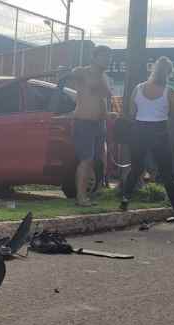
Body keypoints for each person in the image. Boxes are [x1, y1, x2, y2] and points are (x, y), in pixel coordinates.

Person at [119, 56, 174, 228]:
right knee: (167, 174)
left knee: (136, 168)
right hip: (160, 131)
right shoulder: (169, 91)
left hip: (139, 131)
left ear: (153, 70)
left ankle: (125, 200)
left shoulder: (138, 88)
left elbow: (131, 112)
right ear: (169, 73)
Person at [62, 46, 115, 207]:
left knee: (95, 161)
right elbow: (66, 74)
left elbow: (102, 100)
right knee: (86, 160)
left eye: (109, 57)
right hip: (83, 122)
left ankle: (92, 192)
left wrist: (107, 115)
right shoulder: (83, 71)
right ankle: (81, 197)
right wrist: (66, 71)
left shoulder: (104, 77)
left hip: (99, 124)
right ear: (94, 57)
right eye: (104, 56)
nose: (107, 60)